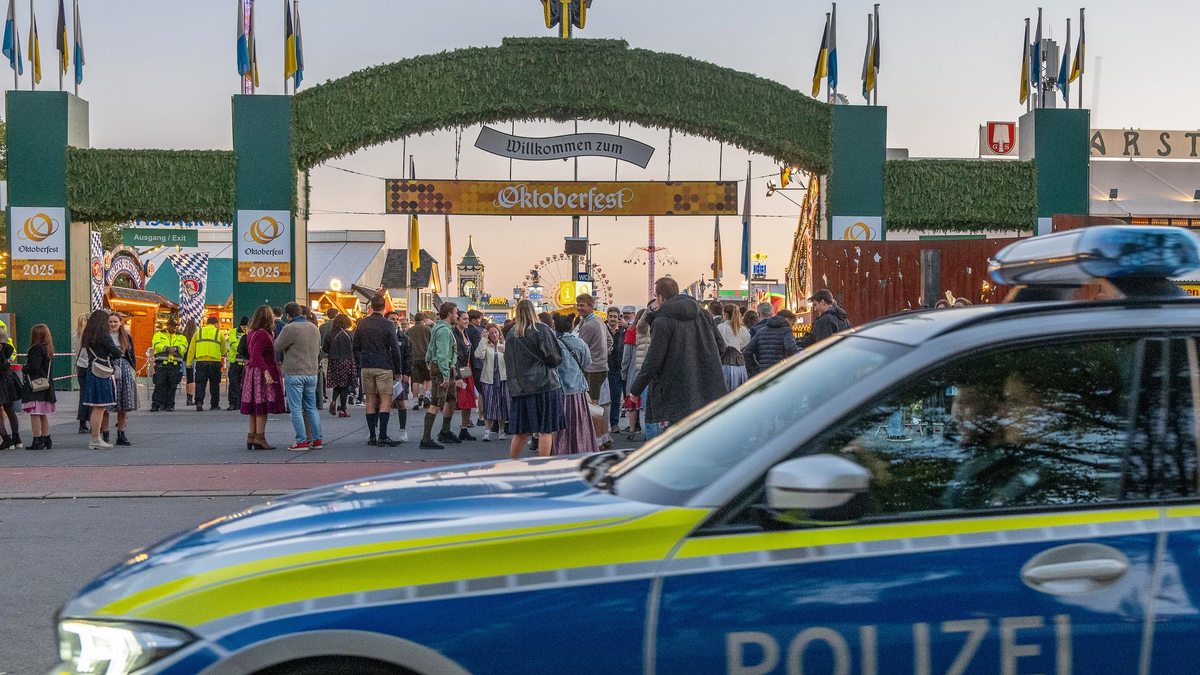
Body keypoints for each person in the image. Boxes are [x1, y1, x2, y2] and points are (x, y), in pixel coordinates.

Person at [630, 277, 727, 427]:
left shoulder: (663, 321)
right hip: (706, 387)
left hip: (675, 390)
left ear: (661, 297)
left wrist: (636, 389)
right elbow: (721, 345)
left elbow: (654, 359)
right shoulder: (703, 314)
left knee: (678, 436)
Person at [504, 300, 564, 459]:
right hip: (545, 384)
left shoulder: (512, 334)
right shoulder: (542, 329)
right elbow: (554, 357)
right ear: (533, 311)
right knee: (546, 429)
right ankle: (543, 464)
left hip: (522, 387)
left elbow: (508, 360)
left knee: (521, 431)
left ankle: (512, 462)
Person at [352, 295, 403, 447]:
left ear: (371, 307)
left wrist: (361, 360)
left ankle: (372, 435)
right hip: (383, 365)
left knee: (370, 400)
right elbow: (394, 348)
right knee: (386, 400)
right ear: (384, 307)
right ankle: (383, 435)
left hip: (366, 365)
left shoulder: (362, 323)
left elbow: (356, 346)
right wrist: (397, 369)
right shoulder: (387, 325)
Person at [275, 302, 324, 450]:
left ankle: (301, 440)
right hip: (311, 372)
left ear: (288, 315)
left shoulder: (290, 328)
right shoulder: (314, 328)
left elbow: (277, 346)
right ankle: (317, 439)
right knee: (311, 408)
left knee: (296, 408)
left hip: (294, 372)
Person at [552, 313, 599, 456]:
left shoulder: (552, 343)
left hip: (558, 388)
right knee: (579, 422)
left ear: (555, 326)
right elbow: (587, 363)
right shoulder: (580, 343)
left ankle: (560, 449)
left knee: (559, 425)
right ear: (571, 326)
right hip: (577, 388)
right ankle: (580, 447)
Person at [240, 305, 286, 450]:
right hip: (262, 371)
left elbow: (251, 354)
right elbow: (257, 354)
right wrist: (266, 371)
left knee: (253, 406)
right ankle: (260, 437)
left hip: (252, 372)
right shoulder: (264, 334)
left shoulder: (252, 333)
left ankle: (252, 436)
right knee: (262, 406)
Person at [79, 309, 125, 449]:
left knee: (96, 407)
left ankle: (96, 436)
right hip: (102, 371)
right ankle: (96, 439)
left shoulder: (89, 335)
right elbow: (117, 353)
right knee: (100, 406)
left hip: (92, 369)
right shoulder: (104, 336)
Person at [421, 302, 461, 449]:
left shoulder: (438, 327)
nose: (457, 315)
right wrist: (445, 375)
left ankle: (445, 431)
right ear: (450, 314)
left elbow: (431, 346)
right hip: (443, 368)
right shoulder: (444, 331)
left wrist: (428, 359)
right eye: (456, 313)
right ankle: (425, 439)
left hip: (444, 368)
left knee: (451, 400)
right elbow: (443, 353)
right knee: (436, 403)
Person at [574, 294, 613, 446]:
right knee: (599, 405)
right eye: (578, 305)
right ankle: (604, 437)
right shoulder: (599, 321)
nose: (579, 308)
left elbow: (580, 348)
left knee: (593, 407)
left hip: (591, 368)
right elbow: (610, 340)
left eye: (582, 305)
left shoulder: (588, 325)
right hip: (602, 367)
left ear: (590, 306)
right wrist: (604, 351)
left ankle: (597, 441)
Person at [100, 313, 137, 447]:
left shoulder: (126, 337)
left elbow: (131, 355)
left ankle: (121, 434)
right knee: (106, 405)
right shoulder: (104, 337)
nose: (113, 324)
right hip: (108, 369)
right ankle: (105, 433)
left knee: (123, 404)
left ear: (121, 323)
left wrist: (133, 370)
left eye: (115, 321)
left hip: (124, 369)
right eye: (110, 322)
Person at [22, 324, 56, 449]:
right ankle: (46, 438)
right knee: (43, 414)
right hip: (46, 386)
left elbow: (34, 366)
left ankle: (37, 439)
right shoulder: (48, 348)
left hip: (36, 386)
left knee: (35, 413)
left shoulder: (36, 348)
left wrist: (24, 368)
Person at [474, 323, 509, 442]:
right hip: (488, 379)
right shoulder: (485, 344)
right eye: (491, 333)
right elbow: (478, 355)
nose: (494, 335)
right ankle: (487, 432)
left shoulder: (504, 344)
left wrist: (506, 352)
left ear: (499, 332)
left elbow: (512, 360)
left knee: (502, 403)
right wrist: (483, 339)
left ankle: (501, 430)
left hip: (503, 378)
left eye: (496, 332)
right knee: (488, 404)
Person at [188, 315, 227, 412]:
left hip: (201, 362)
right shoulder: (219, 333)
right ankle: (214, 404)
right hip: (215, 362)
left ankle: (199, 403)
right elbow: (224, 349)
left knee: (200, 384)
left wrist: (189, 362)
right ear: (216, 324)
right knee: (214, 384)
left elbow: (192, 349)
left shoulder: (198, 332)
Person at [386, 310, 414, 442]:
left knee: (400, 402)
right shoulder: (382, 336)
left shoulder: (404, 338)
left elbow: (409, 356)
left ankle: (403, 430)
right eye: (392, 319)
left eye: (396, 319)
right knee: (381, 402)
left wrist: (407, 373)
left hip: (399, 374)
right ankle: (378, 430)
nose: (395, 321)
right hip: (384, 372)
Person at [744, 308, 800, 374]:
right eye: (792, 324)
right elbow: (791, 347)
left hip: (763, 372)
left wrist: (756, 369)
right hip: (780, 372)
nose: (792, 327)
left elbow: (746, 352)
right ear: (787, 319)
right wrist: (800, 359)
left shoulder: (761, 331)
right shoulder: (786, 330)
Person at [620, 309, 648, 441]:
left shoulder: (630, 332)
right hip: (648, 371)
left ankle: (632, 429)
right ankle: (649, 430)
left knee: (632, 401)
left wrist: (623, 373)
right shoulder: (653, 331)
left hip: (633, 370)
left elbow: (626, 356)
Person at [150, 318, 188, 412]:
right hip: (162, 364)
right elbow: (156, 345)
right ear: (168, 326)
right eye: (173, 326)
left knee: (172, 385)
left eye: (176, 326)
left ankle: (169, 405)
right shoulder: (159, 335)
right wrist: (167, 348)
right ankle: (156, 405)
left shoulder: (181, 337)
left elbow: (184, 347)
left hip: (174, 365)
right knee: (159, 384)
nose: (175, 328)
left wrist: (176, 349)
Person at [324, 314, 356, 418]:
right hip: (346, 361)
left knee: (337, 384)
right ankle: (342, 409)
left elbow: (325, 348)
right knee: (344, 385)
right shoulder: (349, 334)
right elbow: (354, 347)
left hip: (333, 361)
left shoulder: (330, 334)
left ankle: (333, 401)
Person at [454, 310, 478, 441]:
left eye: (468, 319)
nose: (467, 321)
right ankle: (445, 429)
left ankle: (464, 428)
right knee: (454, 400)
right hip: (459, 369)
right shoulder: (454, 335)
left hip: (467, 369)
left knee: (468, 399)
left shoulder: (466, 334)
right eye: (464, 319)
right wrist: (457, 374)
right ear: (457, 320)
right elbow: (454, 357)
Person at [717, 302, 751, 390]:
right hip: (740, 365)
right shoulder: (744, 330)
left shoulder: (722, 327)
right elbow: (744, 344)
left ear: (725, 315)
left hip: (726, 364)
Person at [0, 327, 24, 449]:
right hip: (9, 381)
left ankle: (6, 439)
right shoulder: (8, 349)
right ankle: (16, 438)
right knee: (10, 410)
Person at [605, 307, 626, 434]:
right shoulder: (602, 328)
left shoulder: (623, 330)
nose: (613, 319)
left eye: (615, 316)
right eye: (611, 316)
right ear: (607, 317)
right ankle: (603, 423)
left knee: (616, 397)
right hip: (604, 366)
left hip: (617, 367)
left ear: (619, 317)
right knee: (603, 398)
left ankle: (614, 423)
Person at [407, 312, 432, 410]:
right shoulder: (428, 329)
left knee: (415, 381)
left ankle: (415, 402)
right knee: (429, 379)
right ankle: (427, 396)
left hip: (414, 357)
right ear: (423, 319)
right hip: (426, 357)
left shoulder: (409, 331)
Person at [74, 313, 91, 434]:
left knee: (83, 395)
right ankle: (93, 421)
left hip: (80, 365)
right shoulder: (90, 336)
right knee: (93, 396)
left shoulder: (76, 335)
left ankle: (82, 423)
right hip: (90, 366)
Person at [227, 317, 248, 411]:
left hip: (245, 363)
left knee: (244, 385)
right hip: (235, 362)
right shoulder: (234, 332)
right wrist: (243, 346)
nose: (244, 328)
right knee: (233, 384)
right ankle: (233, 403)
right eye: (243, 326)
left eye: (246, 326)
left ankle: (242, 403)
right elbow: (233, 344)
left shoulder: (249, 333)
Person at [317, 308, 338, 405]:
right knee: (336, 376)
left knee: (327, 376)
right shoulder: (338, 327)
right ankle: (335, 398)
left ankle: (329, 398)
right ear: (336, 314)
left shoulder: (322, 327)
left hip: (325, 354)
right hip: (337, 355)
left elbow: (320, 341)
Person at [181, 319, 198, 407]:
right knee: (192, 379)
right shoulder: (195, 336)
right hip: (193, 359)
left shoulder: (183, 336)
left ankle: (188, 396)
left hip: (184, 358)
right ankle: (190, 398)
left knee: (188, 378)